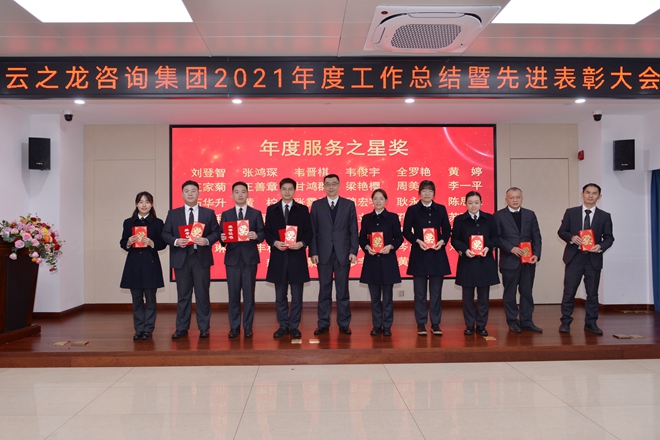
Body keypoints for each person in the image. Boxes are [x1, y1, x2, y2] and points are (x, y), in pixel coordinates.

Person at [162, 180, 220, 339]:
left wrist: (206, 240)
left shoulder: (208, 213)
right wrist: (176, 241)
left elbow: (216, 233)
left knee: (203, 294)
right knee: (183, 295)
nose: (190, 193)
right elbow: (165, 234)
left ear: (198, 193)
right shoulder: (173, 214)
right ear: (182, 194)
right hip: (181, 259)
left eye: (193, 190)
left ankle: (204, 327)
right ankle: (181, 328)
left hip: (201, 259)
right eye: (186, 191)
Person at [557, 183, 614, 335]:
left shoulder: (605, 216)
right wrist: (571, 238)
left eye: (594, 193)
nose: (590, 196)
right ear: (582, 194)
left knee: (592, 293)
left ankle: (591, 323)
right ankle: (566, 321)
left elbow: (609, 238)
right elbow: (562, 231)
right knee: (569, 292)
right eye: (588, 192)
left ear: (599, 197)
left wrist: (600, 246)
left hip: (593, 259)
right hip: (574, 258)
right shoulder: (571, 212)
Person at [309, 173, 359, 335]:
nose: (331, 187)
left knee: (342, 290)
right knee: (324, 289)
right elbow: (312, 231)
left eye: (334, 184)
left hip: (343, 253)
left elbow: (353, 230)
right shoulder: (317, 205)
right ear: (324, 186)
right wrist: (313, 252)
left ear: (339, 185)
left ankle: (344, 323)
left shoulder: (349, 205)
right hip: (323, 254)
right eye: (328, 184)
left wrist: (353, 251)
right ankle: (323, 323)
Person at [264, 178, 313, 339]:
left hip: (296, 257)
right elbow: (267, 231)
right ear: (280, 190)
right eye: (284, 189)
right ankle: (283, 325)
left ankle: (294, 326)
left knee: (297, 296)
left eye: (290, 189)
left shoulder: (302, 209)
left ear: (294, 191)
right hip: (278, 257)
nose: (287, 192)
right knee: (280, 296)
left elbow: (309, 232)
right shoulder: (272, 209)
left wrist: (302, 243)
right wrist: (274, 242)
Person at [402, 180, 451, 336]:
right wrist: (417, 240)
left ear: (434, 193)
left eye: (430, 191)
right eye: (424, 190)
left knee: (436, 293)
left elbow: (447, 230)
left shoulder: (441, 209)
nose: (427, 193)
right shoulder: (412, 210)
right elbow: (406, 231)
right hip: (419, 255)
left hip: (437, 255)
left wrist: (442, 241)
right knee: (420, 293)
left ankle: (435, 323)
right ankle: (421, 323)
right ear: (419, 193)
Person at [219, 181, 265, 339]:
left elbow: (262, 233)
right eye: (237, 192)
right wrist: (222, 238)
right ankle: (234, 327)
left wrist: (256, 235)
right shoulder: (226, 214)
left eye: (243, 192)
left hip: (250, 259)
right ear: (232, 195)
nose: (240, 195)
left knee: (249, 295)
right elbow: (221, 236)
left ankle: (248, 327)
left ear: (248, 194)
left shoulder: (255, 213)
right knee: (233, 295)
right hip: (232, 260)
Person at [494, 187, 543, 333]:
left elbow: (537, 237)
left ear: (522, 198)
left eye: (517, 197)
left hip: (528, 261)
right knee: (510, 293)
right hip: (509, 261)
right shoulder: (498, 216)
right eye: (512, 198)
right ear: (506, 199)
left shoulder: (530, 214)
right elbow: (496, 238)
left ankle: (527, 321)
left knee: (527, 292)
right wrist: (511, 248)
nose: (515, 200)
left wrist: (536, 254)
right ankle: (512, 321)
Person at [451, 191, 500, 336]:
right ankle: (469, 325)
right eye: (470, 203)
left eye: (476, 202)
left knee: (483, 297)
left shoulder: (489, 218)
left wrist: (488, 247)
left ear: (481, 203)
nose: (473, 205)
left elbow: (495, 237)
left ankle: (481, 325)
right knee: (467, 298)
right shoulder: (460, 220)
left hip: (485, 262)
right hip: (467, 262)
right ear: (465, 204)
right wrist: (465, 250)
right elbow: (455, 239)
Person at [120, 191, 166, 340]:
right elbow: (122, 242)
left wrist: (152, 243)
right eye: (141, 202)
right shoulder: (128, 222)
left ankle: (148, 329)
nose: (144, 205)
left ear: (151, 204)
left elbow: (163, 243)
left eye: (147, 202)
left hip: (150, 265)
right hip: (133, 265)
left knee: (151, 299)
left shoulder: (158, 223)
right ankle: (139, 329)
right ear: (136, 204)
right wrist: (128, 242)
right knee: (137, 299)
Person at [359, 189, 403, 336]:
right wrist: (367, 247)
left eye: (381, 199)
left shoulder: (392, 217)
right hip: (372, 262)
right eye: (375, 199)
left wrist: (391, 246)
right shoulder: (366, 218)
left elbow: (399, 238)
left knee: (388, 297)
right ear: (372, 201)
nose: (378, 201)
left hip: (387, 261)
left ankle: (387, 325)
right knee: (375, 298)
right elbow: (362, 238)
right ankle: (377, 325)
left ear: (386, 201)